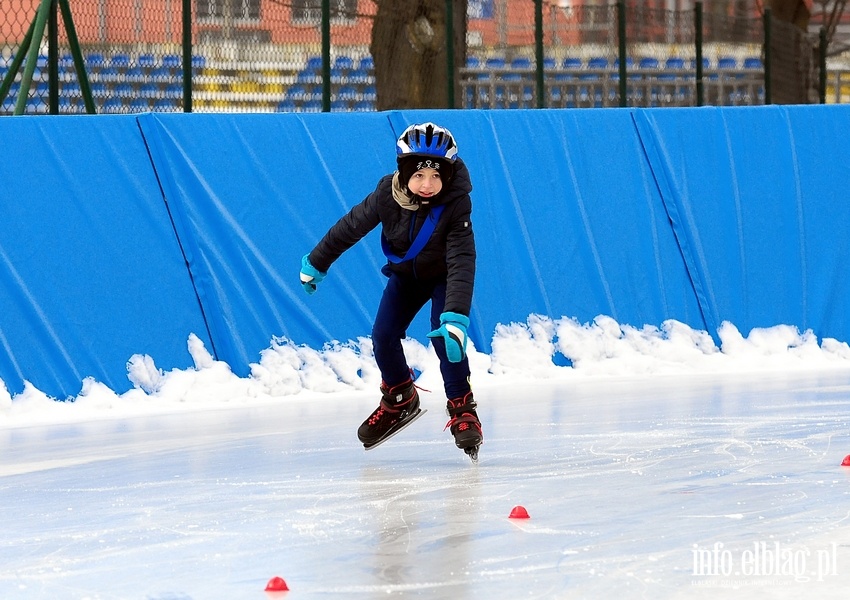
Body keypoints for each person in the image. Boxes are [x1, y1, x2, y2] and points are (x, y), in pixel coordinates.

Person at [298, 122, 482, 459]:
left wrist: (456, 316)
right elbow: (350, 226)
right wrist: (317, 261)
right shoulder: (387, 194)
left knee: (446, 339)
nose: (428, 185)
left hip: (444, 277)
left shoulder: (456, 205)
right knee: (383, 335)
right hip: (406, 277)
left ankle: (462, 406)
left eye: (436, 177)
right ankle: (400, 397)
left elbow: (461, 258)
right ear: (404, 172)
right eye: (419, 175)